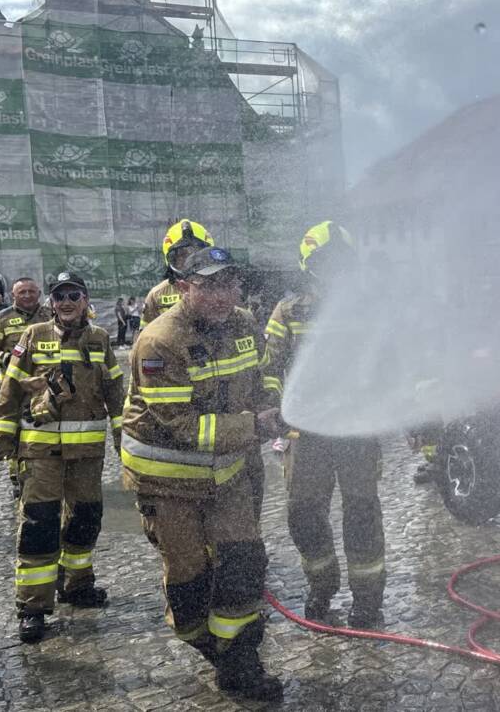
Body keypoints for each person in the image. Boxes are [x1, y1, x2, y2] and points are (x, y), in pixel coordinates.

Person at [121, 246, 283, 702]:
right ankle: (206, 643)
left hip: (225, 473)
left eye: (230, 283)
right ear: (182, 287)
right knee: (189, 582)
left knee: (244, 563)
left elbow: (262, 376)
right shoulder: (159, 342)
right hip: (167, 481)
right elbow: (184, 426)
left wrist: (273, 399)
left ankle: (240, 663)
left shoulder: (245, 324)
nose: (222, 294)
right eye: (209, 284)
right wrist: (257, 425)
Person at [0, 272, 124, 644]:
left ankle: (77, 587)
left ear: (85, 299)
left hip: (87, 454)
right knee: (39, 525)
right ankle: (33, 608)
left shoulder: (99, 339)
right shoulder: (33, 335)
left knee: (84, 520)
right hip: (40, 450)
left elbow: (115, 393)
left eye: (73, 294)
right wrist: (0, 434)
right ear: (52, 301)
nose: (66, 301)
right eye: (60, 295)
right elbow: (11, 386)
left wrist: (125, 443)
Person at [263, 220, 386, 629]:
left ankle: (367, 600)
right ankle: (322, 583)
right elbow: (270, 368)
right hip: (307, 432)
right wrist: (274, 406)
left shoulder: (368, 305)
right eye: (323, 260)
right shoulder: (289, 310)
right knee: (302, 511)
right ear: (308, 264)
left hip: (356, 430)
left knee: (362, 510)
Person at [0, 278, 53, 497]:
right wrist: (4, 358)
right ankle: (17, 479)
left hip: (46, 387)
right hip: (13, 388)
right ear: (13, 295)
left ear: (39, 293)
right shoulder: (1, 319)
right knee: (14, 434)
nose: (27, 295)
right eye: (22, 292)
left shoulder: (51, 315)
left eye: (31, 291)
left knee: (47, 431)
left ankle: (48, 474)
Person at [141, 219, 214, 327]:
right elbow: (145, 337)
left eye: (196, 253)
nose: (190, 259)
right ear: (172, 259)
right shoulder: (157, 295)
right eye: (182, 255)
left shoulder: (222, 289)